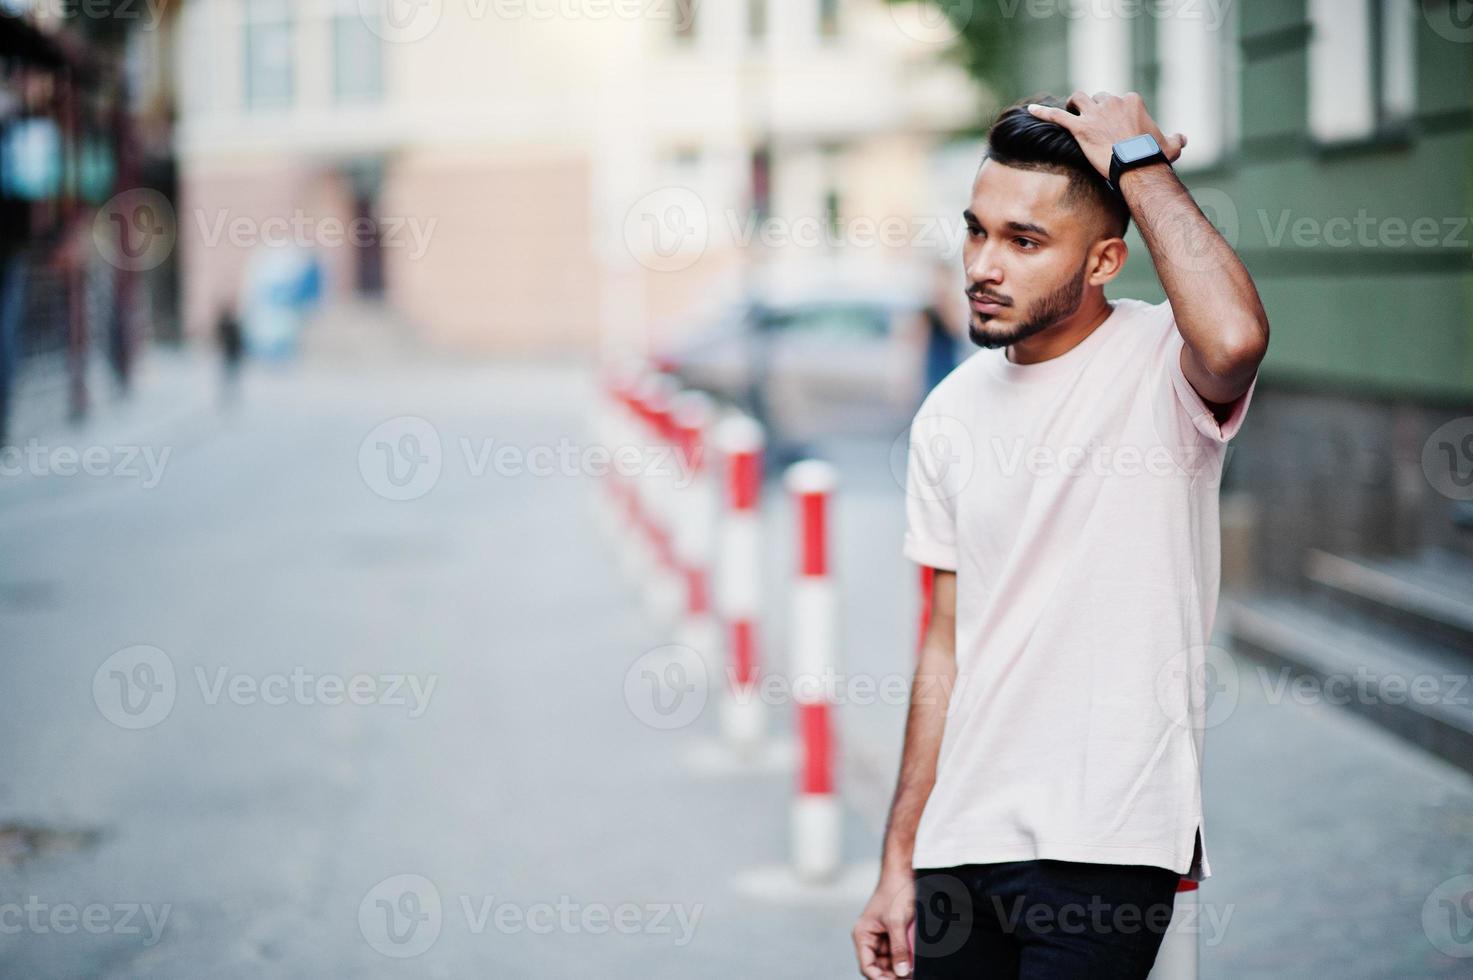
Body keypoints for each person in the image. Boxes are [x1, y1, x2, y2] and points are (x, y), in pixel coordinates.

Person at [852, 92, 1269, 980]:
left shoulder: (1161, 366)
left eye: (1024, 241)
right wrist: (898, 859)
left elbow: (1233, 339)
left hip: (1105, 843)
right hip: (958, 841)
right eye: (976, 232)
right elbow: (941, 649)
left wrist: (1139, 164)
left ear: (1103, 260)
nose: (983, 265)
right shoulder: (946, 414)